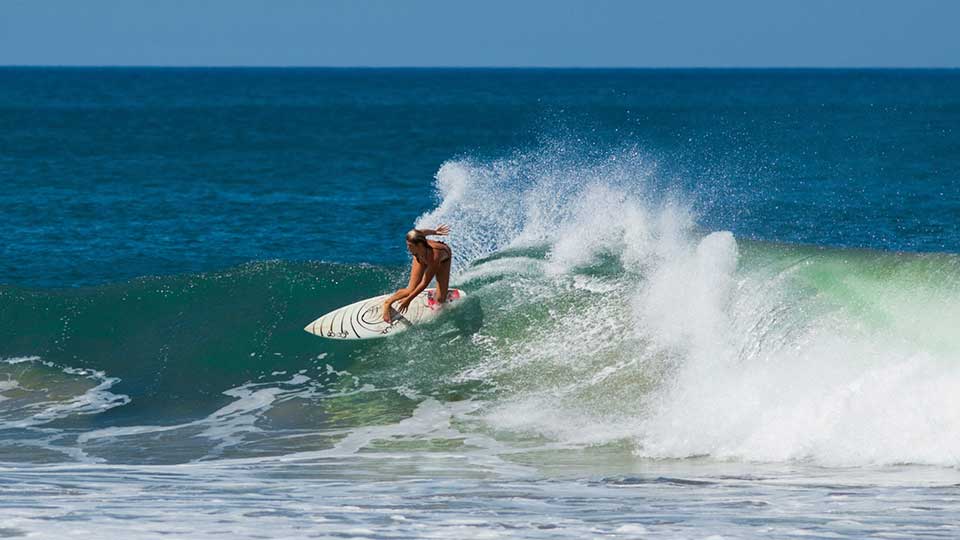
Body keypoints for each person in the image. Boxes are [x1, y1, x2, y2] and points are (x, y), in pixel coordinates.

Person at [382, 224, 452, 323]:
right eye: (407, 245)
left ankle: (440, 293)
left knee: (440, 299)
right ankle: (387, 303)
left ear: (419, 245)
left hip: (443, 260)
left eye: (410, 246)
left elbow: (424, 283)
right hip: (420, 256)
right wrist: (435, 232)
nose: (407, 248)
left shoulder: (435, 256)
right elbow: (422, 232)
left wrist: (409, 300)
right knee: (410, 290)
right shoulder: (417, 245)